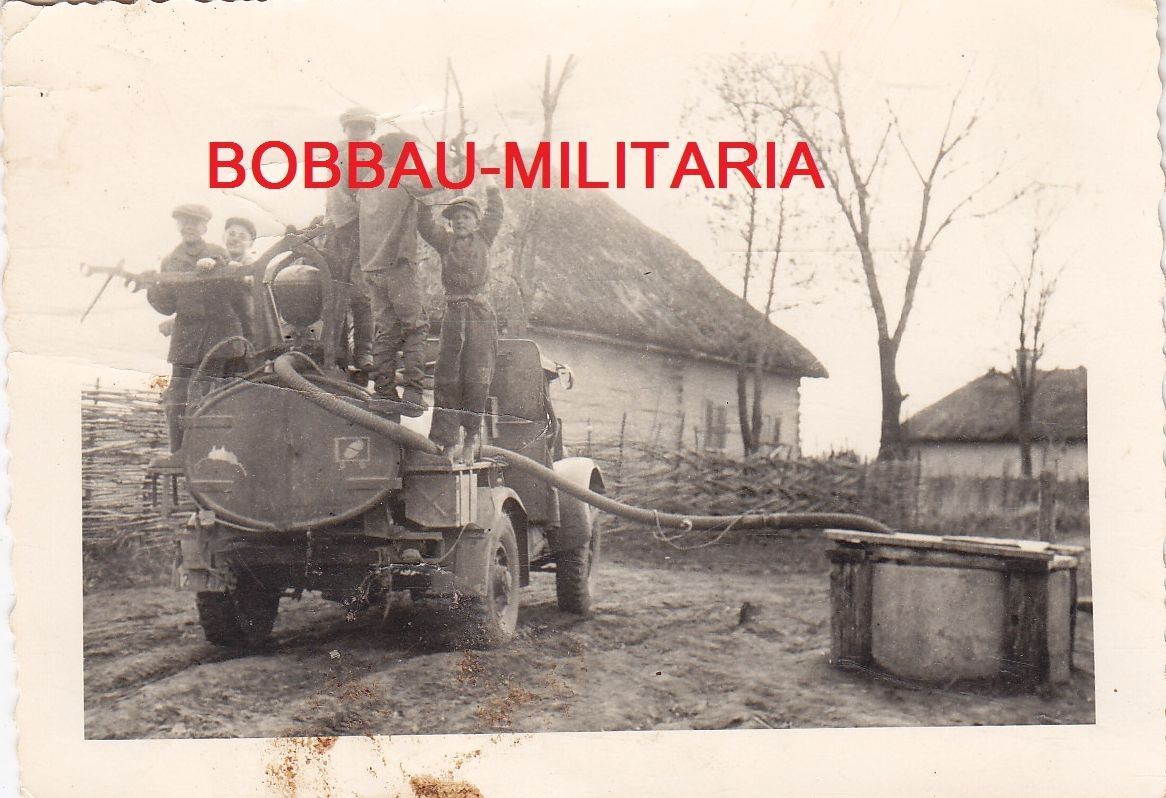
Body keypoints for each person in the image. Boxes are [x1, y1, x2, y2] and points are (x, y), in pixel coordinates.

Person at [147, 203, 252, 454]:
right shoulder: (171, 261)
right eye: (184, 222)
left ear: (204, 227)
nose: (189, 227)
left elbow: (238, 298)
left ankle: (215, 453)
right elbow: (167, 306)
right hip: (186, 338)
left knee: (213, 396)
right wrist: (154, 288)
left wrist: (216, 266)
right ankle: (179, 452)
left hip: (220, 335)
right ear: (179, 227)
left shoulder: (217, 252)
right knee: (177, 396)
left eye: (194, 223)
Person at [417, 176, 504, 462]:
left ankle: (470, 439)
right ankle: (447, 442)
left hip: (480, 317)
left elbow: (496, 211)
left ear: (476, 221)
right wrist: (422, 193)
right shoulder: (445, 243)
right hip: (454, 317)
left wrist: (491, 185)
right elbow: (426, 225)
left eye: (466, 217)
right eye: (455, 218)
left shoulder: (484, 238)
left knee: (477, 378)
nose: (460, 222)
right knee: (447, 378)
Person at [358, 131, 433, 412]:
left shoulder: (367, 182)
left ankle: (384, 393)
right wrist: (460, 158)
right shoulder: (402, 177)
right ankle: (414, 394)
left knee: (386, 330)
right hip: (398, 266)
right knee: (415, 327)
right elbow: (438, 180)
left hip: (371, 268)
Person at [322, 107, 377, 380]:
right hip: (341, 231)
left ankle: (364, 351)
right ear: (346, 129)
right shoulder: (338, 156)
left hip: (367, 231)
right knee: (337, 294)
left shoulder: (375, 158)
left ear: (371, 130)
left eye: (363, 127)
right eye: (353, 127)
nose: (358, 132)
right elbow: (334, 195)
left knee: (364, 295)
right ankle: (339, 350)